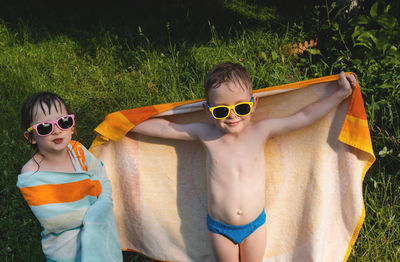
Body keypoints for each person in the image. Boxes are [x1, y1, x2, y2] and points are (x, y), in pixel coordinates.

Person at [131, 62, 356, 261]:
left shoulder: (262, 131)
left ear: (253, 104)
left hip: (255, 225)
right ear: (207, 111)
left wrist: (340, 94)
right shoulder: (205, 133)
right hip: (220, 228)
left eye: (241, 107)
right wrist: (124, 124)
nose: (232, 116)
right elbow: (165, 128)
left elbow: (304, 117)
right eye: (221, 110)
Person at [17, 92, 122, 262]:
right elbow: (56, 219)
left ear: (72, 127)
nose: (57, 130)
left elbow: (101, 175)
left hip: (99, 238)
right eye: (45, 127)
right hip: (65, 252)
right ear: (31, 137)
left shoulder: (78, 150)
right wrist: (98, 206)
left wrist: (99, 200)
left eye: (63, 122)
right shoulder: (31, 173)